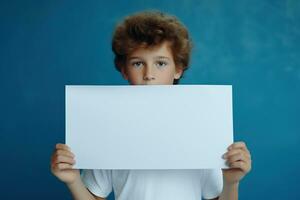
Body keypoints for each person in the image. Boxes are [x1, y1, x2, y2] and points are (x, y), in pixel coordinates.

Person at [50, 10, 252, 200]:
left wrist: (231, 183)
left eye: (161, 63)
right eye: (138, 63)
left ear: (178, 69)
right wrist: (73, 180)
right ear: (124, 71)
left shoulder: (200, 128)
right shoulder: (110, 130)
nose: (149, 75)